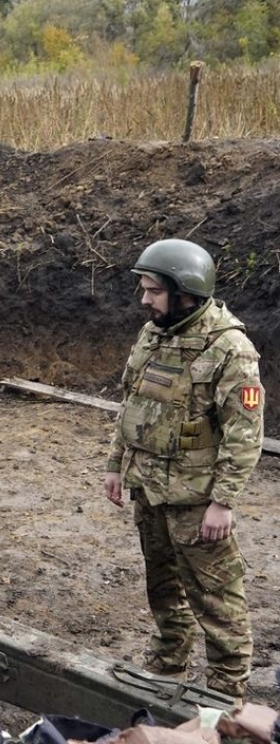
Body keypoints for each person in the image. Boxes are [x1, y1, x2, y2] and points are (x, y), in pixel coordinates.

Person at [104, 238, 264, 704]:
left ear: (185, 291)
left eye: (153, 290)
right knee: (162, 583)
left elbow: (245, 434)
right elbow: (131, 405)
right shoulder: (153, 333)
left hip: (197, 502)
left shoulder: (230, 349)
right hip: (149, 491)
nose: (144, 300)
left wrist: (223, 502)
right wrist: (116, 465)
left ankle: (226, 685)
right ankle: (169, 658)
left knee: (216, 596)